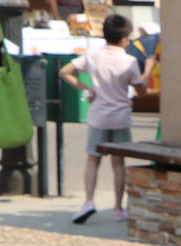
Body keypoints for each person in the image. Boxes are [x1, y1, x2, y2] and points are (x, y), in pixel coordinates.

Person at [59, 13, 153, 224]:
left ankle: (89, 201)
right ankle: (118, 208)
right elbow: (141, 92)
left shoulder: (93, 56)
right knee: (118, 162)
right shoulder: (129, 61)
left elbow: (65, 71)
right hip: (120, 116)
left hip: (98, 115)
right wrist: (147, 69)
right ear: (124, 39)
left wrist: (86, 88)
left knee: (93, 159)